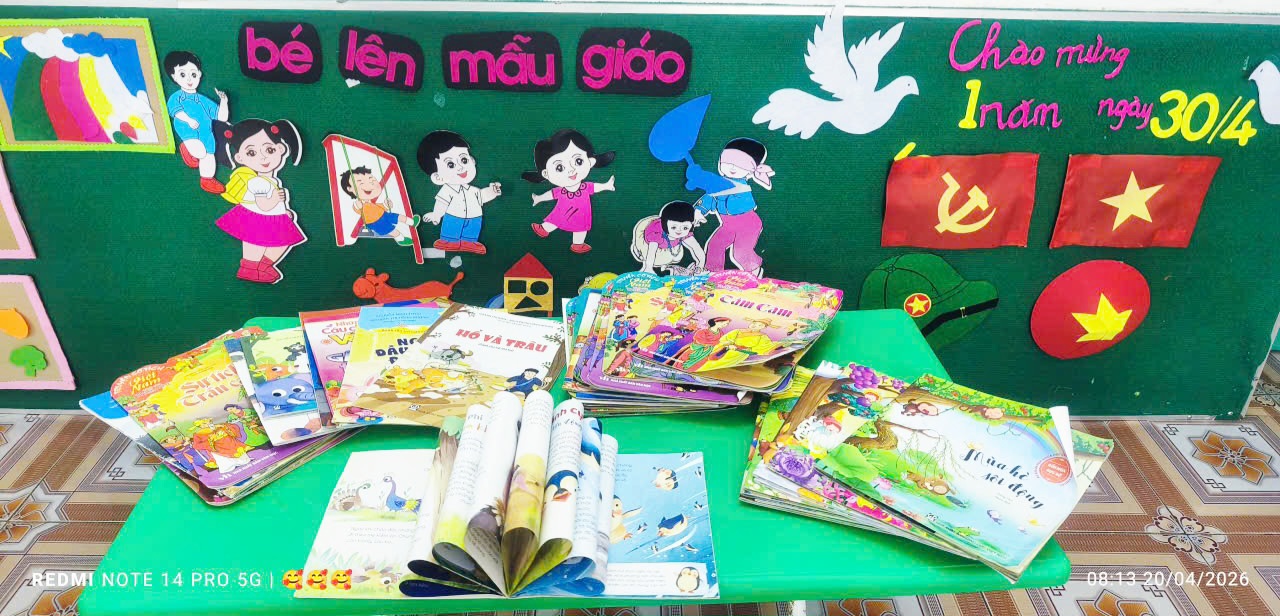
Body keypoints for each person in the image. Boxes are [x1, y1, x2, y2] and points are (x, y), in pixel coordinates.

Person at [214, 118, 306, 283]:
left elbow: (272, 204)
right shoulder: (256, 182)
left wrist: (284, 211)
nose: (263, 158)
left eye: (269, 150)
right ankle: (250, 268)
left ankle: (264, 266)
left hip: (272, 217)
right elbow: (264, 205)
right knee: (256, 243)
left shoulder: (272, 180)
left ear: (280, 149)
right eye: (251, 153)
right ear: (240, 158)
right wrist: (275, 198)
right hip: (257, 218)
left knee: (283, 241)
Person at [684, 138, 775, 275]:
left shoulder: (740, 186)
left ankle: (754, 270)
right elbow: (710, 197)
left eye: (741, 165)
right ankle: (714, 273)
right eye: (727, 162)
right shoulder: (719, 184)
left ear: (751, 169)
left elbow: (720, 190)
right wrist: (698, 210)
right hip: (727, 225)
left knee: (740, 252)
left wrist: (701, 178)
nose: (732, 168)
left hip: (748, 223)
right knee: (715, 245)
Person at [525, 129, 617, 254]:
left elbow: (595, 187)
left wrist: (606, 186)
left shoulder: (585, 187)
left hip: (581, 214)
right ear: (546, 174)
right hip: (563, 211)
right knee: (555, 220)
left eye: (578, 161)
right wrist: (539, 198)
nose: (571, 170)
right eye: (559, 167)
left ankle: (578, 244)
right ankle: (543, 229)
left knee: (581, 228)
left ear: (590, 161)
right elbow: (551, 194)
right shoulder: (561, 191)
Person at [417, 130, 502, 254]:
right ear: (438, 178)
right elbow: (442, 203)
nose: (461, 167)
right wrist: (436, 214)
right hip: (454, 217)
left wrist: (492, 191)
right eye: (451, 165)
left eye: (464, 160)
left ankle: (470, 242)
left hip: (474, 218)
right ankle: (449, 241)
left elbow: (482, 196)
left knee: (472, 231)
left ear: (472, 160)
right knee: (451, 231)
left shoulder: (473, 190)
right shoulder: (447, 190)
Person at [164, 51, 229, 194]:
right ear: (174, 77)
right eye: (182, 74)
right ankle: (187, 149)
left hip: (206, 134)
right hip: (188, 131)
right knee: (200, 152)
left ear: (199, 74)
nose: (189, 79)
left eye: (193, 74)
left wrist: (224, 101)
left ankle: (207, 179)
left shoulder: (204, 100)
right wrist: (188, 119)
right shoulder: (177, 97)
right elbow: (174, 111)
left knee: (209, 156)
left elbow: (222, 117)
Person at [339, 166, 420, 246]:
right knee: (392, 230)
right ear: (349, 188)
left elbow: (377, 207)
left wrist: (386, 205)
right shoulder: (359, 204)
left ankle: (412, 222)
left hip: (384, 214)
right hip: (375, 223)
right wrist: (358, 207)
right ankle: (401, 239)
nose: (369, 185)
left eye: (371, 180)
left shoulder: (370, 202)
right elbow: (360, 211)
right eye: (361, 183)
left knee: (398, 216)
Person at [631, 200, 707, 275]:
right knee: (653, 258)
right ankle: (638, 250)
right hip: (645, 237)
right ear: (665, 225)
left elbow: (696, 248)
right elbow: (651, 252)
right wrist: (648, 268)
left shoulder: (685, 232)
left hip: (668, 242)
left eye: (685, 228)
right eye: (674, 227)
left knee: (677, 257)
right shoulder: (656, 233)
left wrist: (700, 265)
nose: (679, 231)